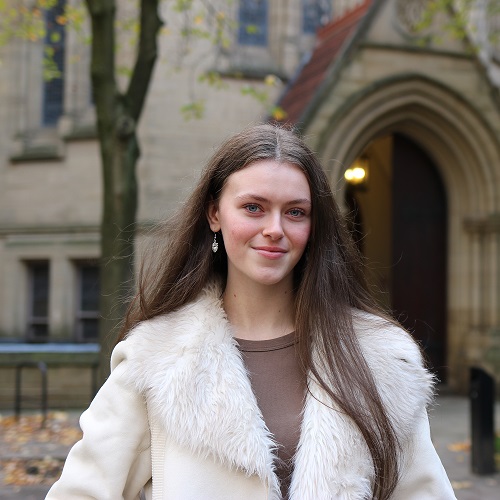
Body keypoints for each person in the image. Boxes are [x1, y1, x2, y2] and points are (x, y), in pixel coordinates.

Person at [46, 124, 456, 500]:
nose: (275, 228)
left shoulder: (379, 357)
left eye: (295, 212)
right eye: (254, 207)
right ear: (214, 214)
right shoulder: (157, 359)